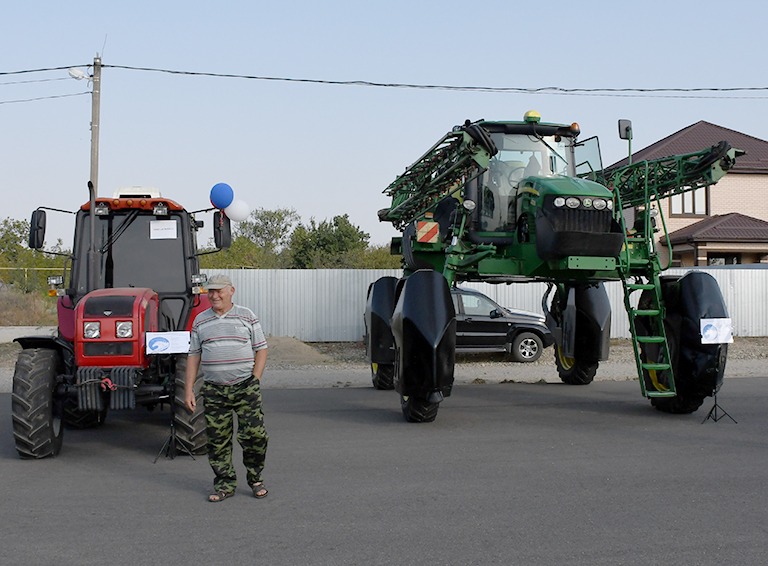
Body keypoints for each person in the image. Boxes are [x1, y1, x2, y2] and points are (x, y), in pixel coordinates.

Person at [184, 273, 269, 502]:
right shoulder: (201, 321)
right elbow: (194, 355)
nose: (214, 295)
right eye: (211, 291)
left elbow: (261, 348)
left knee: (254, 436)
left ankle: (255, 479)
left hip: (245, 388)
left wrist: (255, 379)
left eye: (219, 290)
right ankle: (224, 484)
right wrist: (188, 389)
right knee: (218, 440)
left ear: (232, 290)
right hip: (214, 390)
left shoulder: (247, 316)